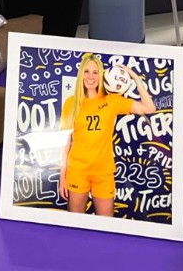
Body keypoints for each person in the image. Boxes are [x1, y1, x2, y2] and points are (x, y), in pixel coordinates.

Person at [58, 53, 155, 216]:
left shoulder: (112, 101)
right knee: (75, 225)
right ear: (81, 74)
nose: (90, 77)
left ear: (102, 75)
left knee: (106, 225)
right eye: (86, 71)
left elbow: (149, 108)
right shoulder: (71, 103)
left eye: (95, 72)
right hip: (77, 171)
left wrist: (135, 79)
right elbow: (65, 143)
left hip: (103, 173)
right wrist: (62, 176)